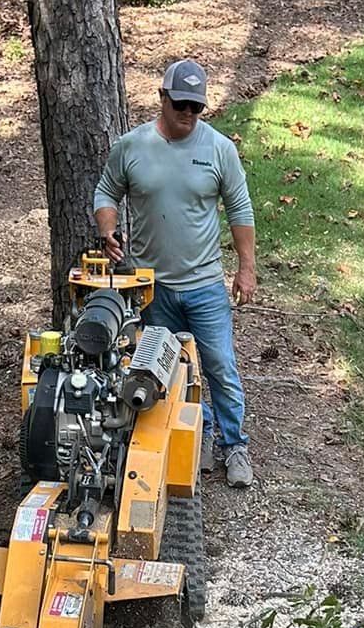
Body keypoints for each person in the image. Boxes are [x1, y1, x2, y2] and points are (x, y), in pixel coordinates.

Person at [91, 58, 257, 488]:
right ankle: (184, 442)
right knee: (160, 369)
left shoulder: (219, 149)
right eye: (180, 103)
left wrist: (246, 268)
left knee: (219, 365)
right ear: (162, 98)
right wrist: (107, 229)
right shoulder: (132, 146)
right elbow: (107, 190)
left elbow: (240, 208)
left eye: (196, 107)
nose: (187, 113)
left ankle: (234, 446)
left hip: (204, 284)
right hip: (152, 288)